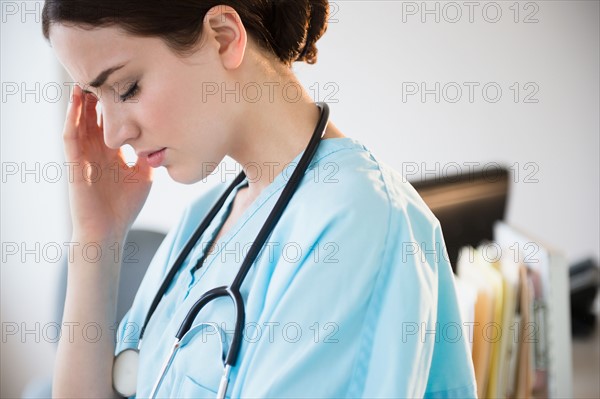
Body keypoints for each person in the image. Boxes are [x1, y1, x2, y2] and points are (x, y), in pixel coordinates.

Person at [42, 1, 477, 398]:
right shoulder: (202, 223)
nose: (114, 133)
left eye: (127, 87)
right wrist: (97, 237)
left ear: (223, 37)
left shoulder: (358, 223)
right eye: (96, 100)